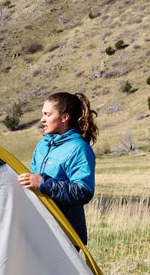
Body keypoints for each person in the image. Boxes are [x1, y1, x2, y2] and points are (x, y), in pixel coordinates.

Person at [18, 92, 98, 244]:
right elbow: (32, 182)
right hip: (39, 228)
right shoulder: (42, 145)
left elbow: (84, 191)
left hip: (65, 234)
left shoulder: (79, 148)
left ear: (64, 117)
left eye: (47, 114)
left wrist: (43, 183)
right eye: (43, 114)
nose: (43, 119)